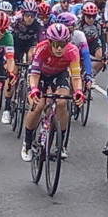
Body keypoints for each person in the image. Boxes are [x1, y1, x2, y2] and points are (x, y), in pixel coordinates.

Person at [20, 23, 85, 162]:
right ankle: (27, 141)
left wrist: (79, 91)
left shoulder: (73, 51)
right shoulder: (41, 48)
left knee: (62, 102)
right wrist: (34, 89)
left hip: (59, 74)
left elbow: (75, 76)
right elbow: (35, 74)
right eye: (56, 44)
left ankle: (60, 144)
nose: (59, 48)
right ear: (49, 42)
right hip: (40, 75)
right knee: (37, 106)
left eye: (63, 44)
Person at [1, 0, 46, 124]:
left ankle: (30, 74)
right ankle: (7, 107)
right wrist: (7, 58)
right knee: (12, 74)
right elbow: (6, 38)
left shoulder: (38, 24)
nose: (30, 18)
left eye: (32, 15)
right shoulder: (15, 21)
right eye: (27, 15)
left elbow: (42, 43)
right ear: (23, 14)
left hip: (29, 45)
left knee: (33, 53)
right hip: (15, 45)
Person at [79, 2, 105, 74]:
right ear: (83, 15)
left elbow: (102, 38)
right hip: (80, 43)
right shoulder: (78, 22)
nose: (91, 19)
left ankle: (91, 75)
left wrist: (104, 55)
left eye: (94, 16)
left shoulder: (98, 23)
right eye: (88, 16)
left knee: (101, 58)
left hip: (92, 42)